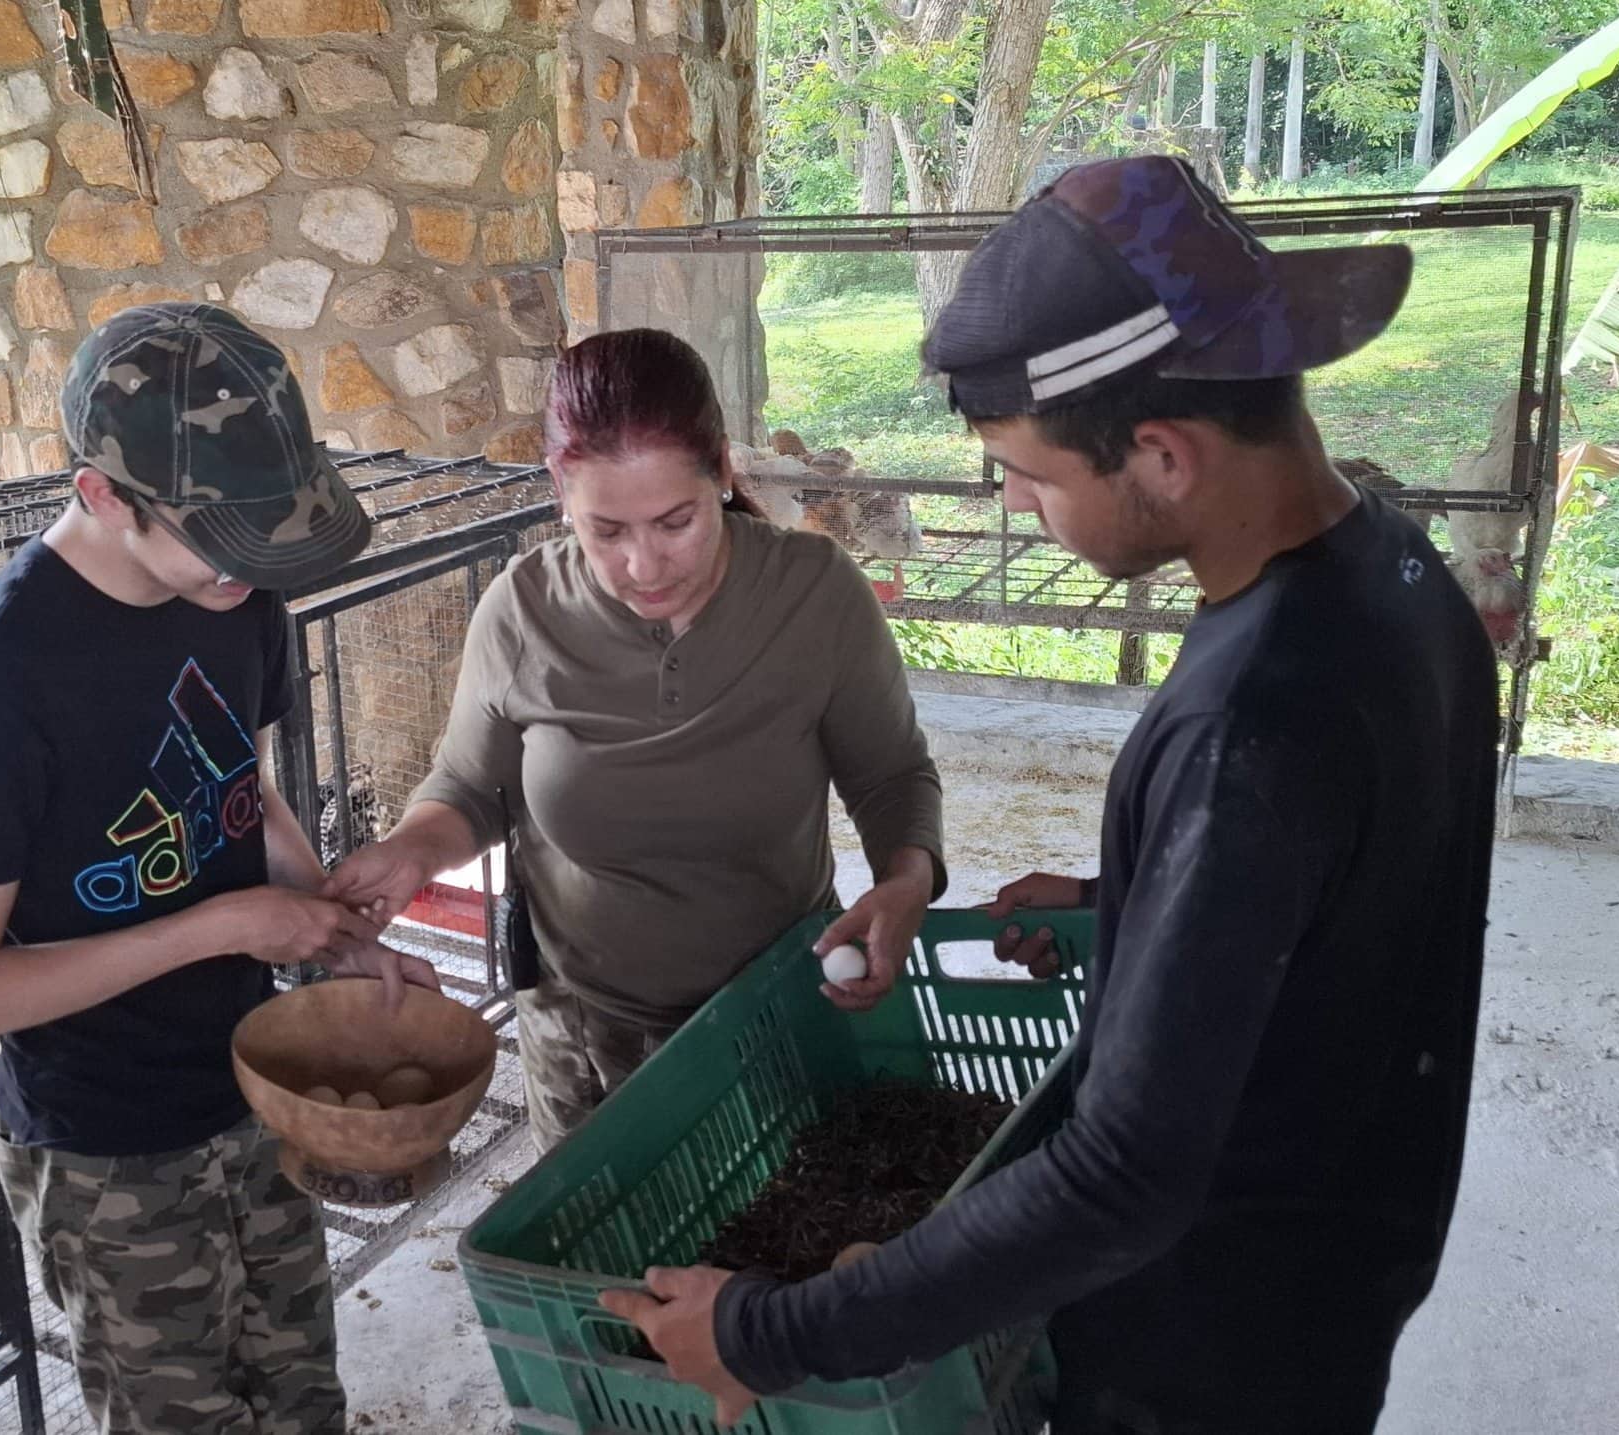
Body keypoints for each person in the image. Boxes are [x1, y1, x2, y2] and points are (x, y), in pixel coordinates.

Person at [605, 155, 1500, 1434]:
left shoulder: (1249, 724)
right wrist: (1132, 903)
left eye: (1028, 475)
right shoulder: (1395, 580)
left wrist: (766, 1330)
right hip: (1339, 1259)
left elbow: (1121, 1177)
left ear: (1161, 452)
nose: (1015, 504)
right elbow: (1350, 884)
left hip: (1204, 1343)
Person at [0, 301, 437, 1435]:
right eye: (223, 540)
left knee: (301, 1388)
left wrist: (332, 927)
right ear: (100, 495)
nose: (254, 567)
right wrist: (220, 927)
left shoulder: (238, 590)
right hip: (104, 1141)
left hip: (253, 1079)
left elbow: (239, 774)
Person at [324, 328, 948, 1149]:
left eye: (677, 521)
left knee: (777, 1252)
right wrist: (410, 850)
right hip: (587, 1033)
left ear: (723, 470)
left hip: (777, 1006)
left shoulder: (815, 595)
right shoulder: (523, 611)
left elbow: (892, 775)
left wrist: (904, 881)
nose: (646, 565)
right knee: (601, 1268)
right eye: (606, 531)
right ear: (558, 488)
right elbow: (471, 788)